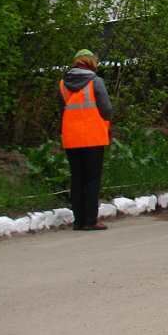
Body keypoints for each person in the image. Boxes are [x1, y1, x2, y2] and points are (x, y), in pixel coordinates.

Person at [59, 49, 112, 231]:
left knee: (77, 179)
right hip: (93, 137)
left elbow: (62, 109)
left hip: (71, 137)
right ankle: (91, 221)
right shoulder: (96, 82)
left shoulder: (63, 84)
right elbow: (106, 108)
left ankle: (78, 221)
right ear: (91, 63)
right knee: (92, 180)